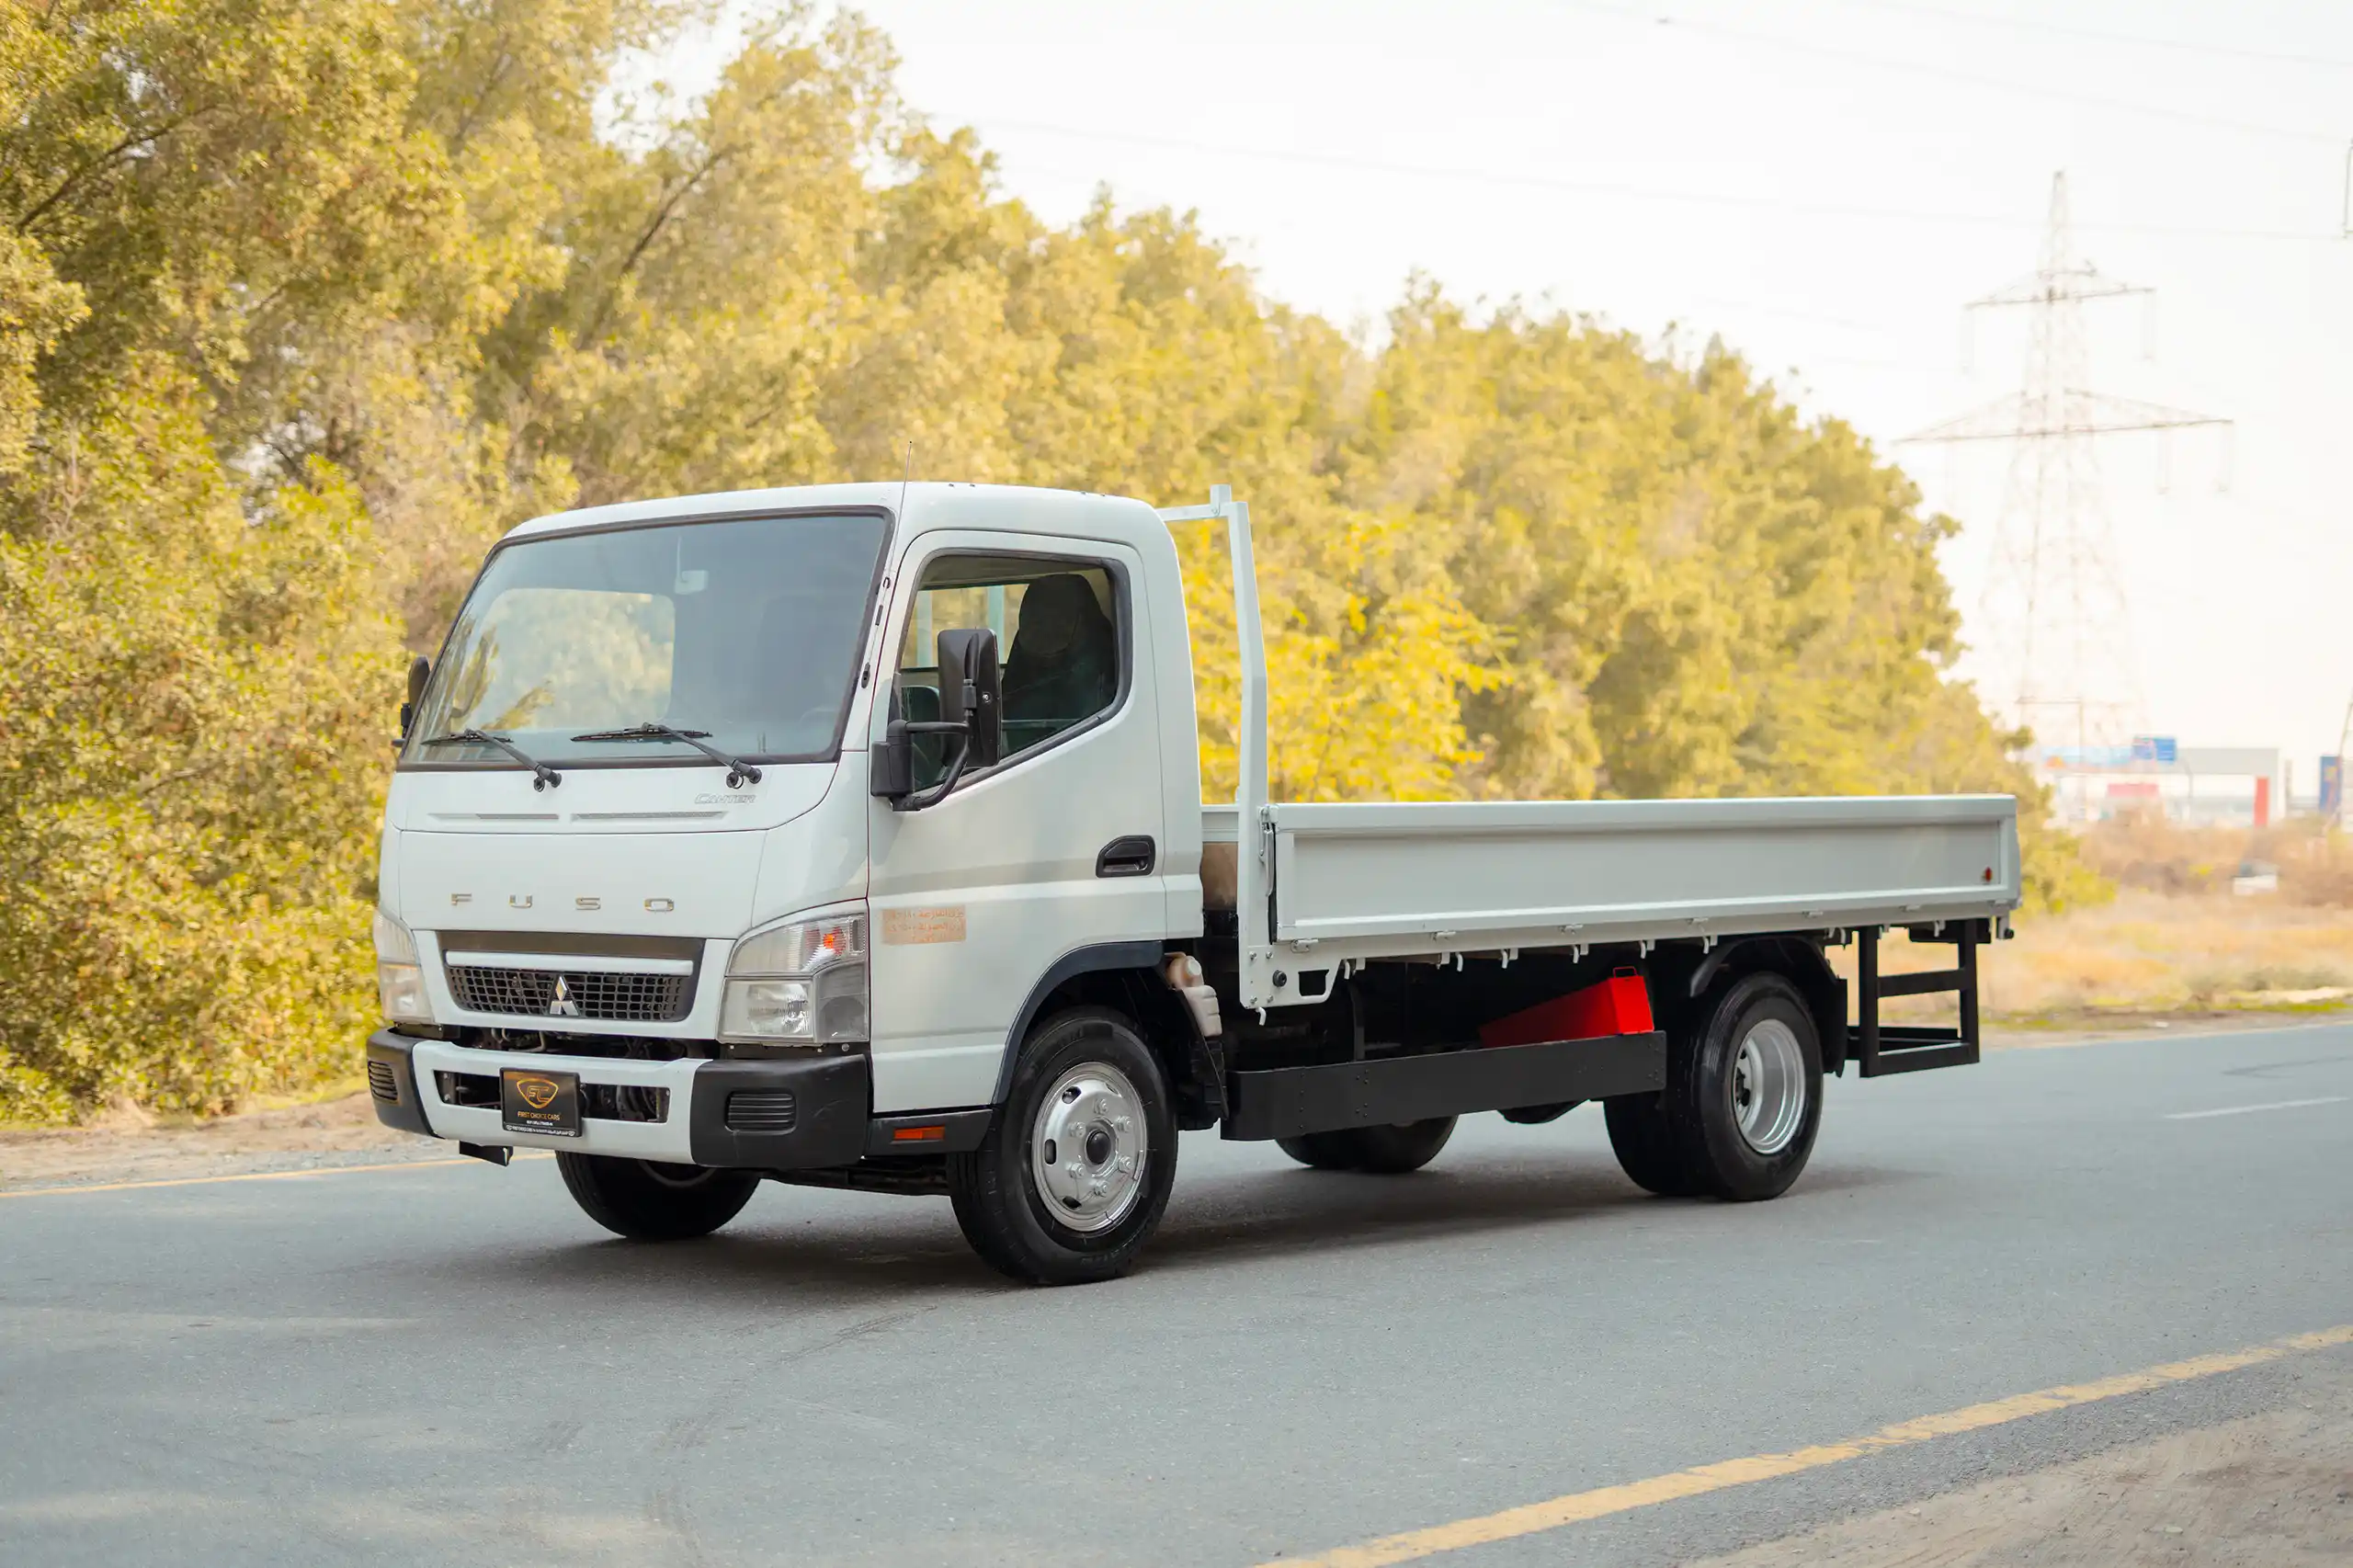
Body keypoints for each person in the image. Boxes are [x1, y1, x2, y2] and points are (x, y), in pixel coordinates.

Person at [1000, 574, 1115, 745]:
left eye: (1058, 615)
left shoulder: (1094, 669)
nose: (1045, 625)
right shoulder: (1026, 651)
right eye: (1038, 615)